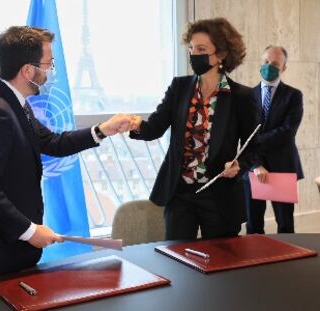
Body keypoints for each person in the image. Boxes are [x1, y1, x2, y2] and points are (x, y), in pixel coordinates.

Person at [0, 26, 131, 279]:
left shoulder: (14, 103)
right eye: (48, 64)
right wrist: (29, 231)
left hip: (7, 245)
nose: (50, 72)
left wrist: (102, 130)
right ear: (27, 70)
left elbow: (53, 142)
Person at [129, 17, 260, 240]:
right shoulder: (179, 87)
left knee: (221, 263)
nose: (193, 55)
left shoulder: (242, 97)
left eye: (201, 49)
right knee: (177, 260)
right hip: (179, 193)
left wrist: (240, 165)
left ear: (221, 54)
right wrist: (135, 125)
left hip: (220, 194)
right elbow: (155, 127)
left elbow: (254, 145)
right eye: (191, 48)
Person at [245, 46, 304, 234]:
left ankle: (287, 263)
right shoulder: (246, 96)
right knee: (253, 225)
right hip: (253, 168)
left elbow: (287, 131)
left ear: (284, 68)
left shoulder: (294, 96)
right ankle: (255, 262)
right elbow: (243, 135)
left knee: (285, 225)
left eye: (275, 64)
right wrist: (256, 164)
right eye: (266, 62)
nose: (269, 67)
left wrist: (255, 142)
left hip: (283, 167)